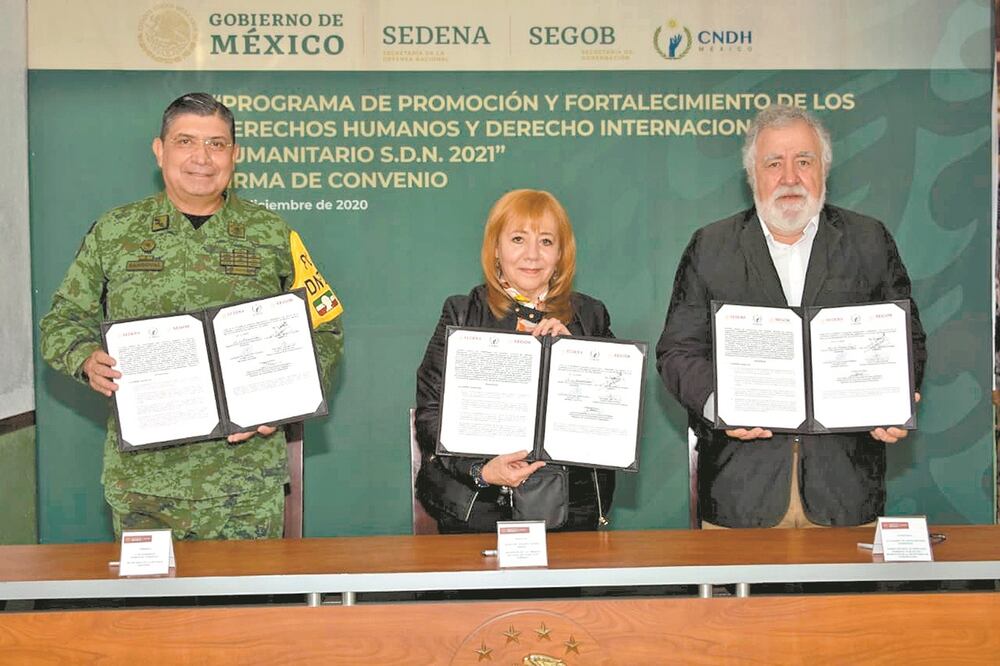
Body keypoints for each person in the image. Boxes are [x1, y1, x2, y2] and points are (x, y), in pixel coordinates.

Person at [39, 93, 344, 541]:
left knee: (243, 611)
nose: (202, 157)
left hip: (245, 483)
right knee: (155, 613)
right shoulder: (116, 231)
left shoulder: (272, 234)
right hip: (146, 484)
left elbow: (324, 323)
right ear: (159, 150)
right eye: (186, 141)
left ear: (235, 156)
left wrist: (285, 402)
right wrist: (85, 358)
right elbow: (61, 321)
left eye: (217, 144)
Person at [656, 105, 927, 528]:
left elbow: (908, 340)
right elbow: (678, 351)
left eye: (804, 161)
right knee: (744, 598)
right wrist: (720, 402)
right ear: (752, 176)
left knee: (846, 598)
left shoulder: (869, 241)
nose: (789, 177)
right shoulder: (711, 247)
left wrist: (895, 398)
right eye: (773, 163)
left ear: (824, 170)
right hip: (741, 493)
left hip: (846, 491)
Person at [415, 189, 615, 533]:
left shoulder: (589, 316)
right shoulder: (462, 314)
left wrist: (578, 360)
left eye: (547, 241)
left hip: (572, 510)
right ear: (496, 249)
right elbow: (431, 414)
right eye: (518, 239)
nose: (532, 255)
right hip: (477, 507)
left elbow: (614, 416)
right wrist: (482, 470)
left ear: (561, 254)